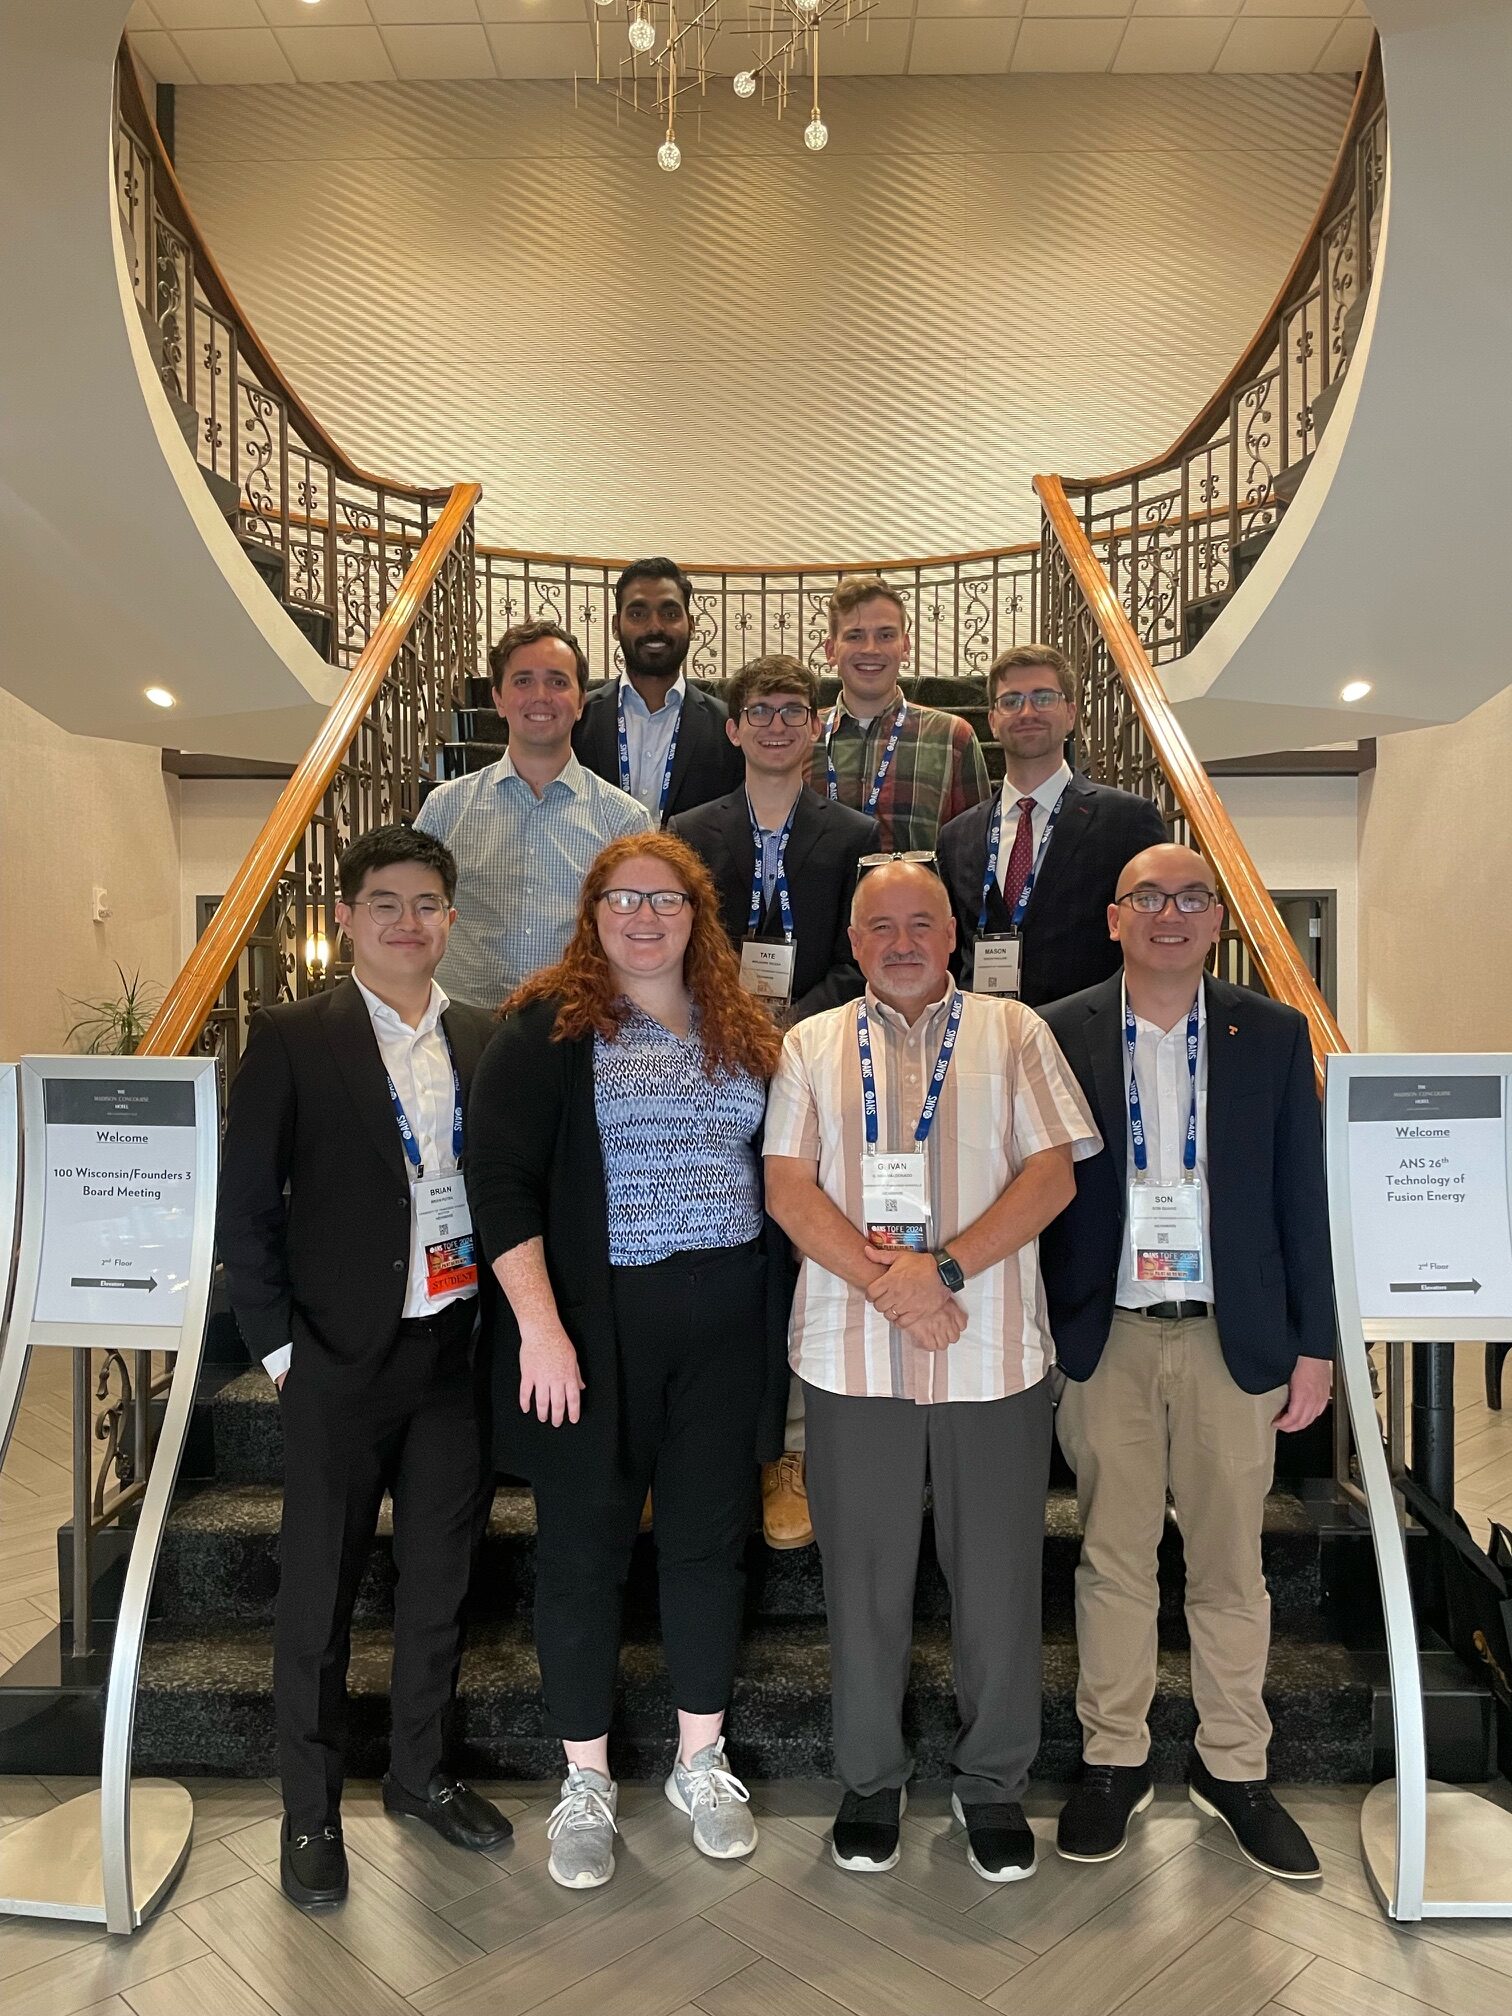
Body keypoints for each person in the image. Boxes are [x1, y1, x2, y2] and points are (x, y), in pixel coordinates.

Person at [764, 861, 1101, 1883]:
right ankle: (872, 1778)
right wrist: (893, 1286)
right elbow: (786, 1187)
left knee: (997, 1582)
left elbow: (1053, 1174)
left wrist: (942, 1269)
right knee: (862, 1583)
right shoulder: (810, 1046)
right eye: (880, 926)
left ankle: (992, 1784)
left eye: (922, 923)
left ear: (954, 934)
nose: (902, 941)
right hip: (851, 1357)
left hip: (988, 1349)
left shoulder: (1016, 1031)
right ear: (855, 942)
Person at [466, 831, 784, 1891]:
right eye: (622, 898)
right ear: (592, 913)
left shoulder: (744, 1029)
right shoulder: (545, 1025)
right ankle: (587, 1780)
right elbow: (500, 1184)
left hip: (725, 1330)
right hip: (594, 1332)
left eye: (667, 899)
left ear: (698, 915)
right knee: (582, 1557)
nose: (645, 917)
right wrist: (542, 1331)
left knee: (706, 1550)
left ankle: (704, 1760)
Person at [216, 824, 511, 1913]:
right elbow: (246, 1209)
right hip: (337, 1363)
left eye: (428, 902)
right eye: (384, 902)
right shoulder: (294, 1037)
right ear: (344, 917)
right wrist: (284, 1353)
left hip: (453, 1356)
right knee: (318, 1598)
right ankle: (310, 1810)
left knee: (439, 1585)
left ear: (449, 916)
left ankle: (420, 1776)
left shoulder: (484, 1038)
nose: (407, 922)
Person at [1038, 843, 1333, 1881]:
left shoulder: (1274, 1034)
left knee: (1230, 1566)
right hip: (1105, 1335)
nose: (1171, 912)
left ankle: (1234, 1769)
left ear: (1218, 921)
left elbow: (1305, 1198)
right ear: (1115, 917)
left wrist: (1317, 1345)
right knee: (1112, 1558)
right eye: (1149, 897)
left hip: (1230, 1338)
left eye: (1192, 898)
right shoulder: (1058, 1029)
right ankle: (1113, 1760)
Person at [670, 653, 878, 1551]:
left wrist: (795, 1017)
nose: (778, 725)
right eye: (762, 710)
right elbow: (666, 946)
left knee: (800, 1247)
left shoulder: (854, 830)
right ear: (734, 726)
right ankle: (702, 1451)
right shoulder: (687, 828)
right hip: (707, 1064)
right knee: (716, 1249)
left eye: (795, 710)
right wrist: (728, 1013)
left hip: (812, 1058)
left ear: (815, 725)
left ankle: (789, 1452)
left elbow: (857, 951)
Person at [415, 619, 650, 1010]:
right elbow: (415, 919)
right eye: (523, 681)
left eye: (558, 682)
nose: (540, 695)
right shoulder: (445, 809)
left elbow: (639, 935)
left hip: (575, 1028)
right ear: (499, 700)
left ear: (580, 704)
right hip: (464, 1027)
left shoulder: (625, 822)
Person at [938, 643, 1167, 1005]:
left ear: (1071, 713)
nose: (1027, 711)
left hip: (1083, 1040)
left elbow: (1149, 933)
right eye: (1011, 701)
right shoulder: (956, 835)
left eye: (1043, 698)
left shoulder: (1127, 820)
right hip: (981, 1036)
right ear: (993, 722)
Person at [808, 576, 989, 853]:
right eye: (855, 635)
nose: (871, 648)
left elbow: (975, 851)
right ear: (831, 651)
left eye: (886, 635)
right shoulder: (800, 736)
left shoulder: (952, 737)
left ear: (905, 647)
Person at [573, 557, 743, 822]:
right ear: (616, 626)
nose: (654, 626)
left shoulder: (727, 728)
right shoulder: (577, 720)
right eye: (638, 614)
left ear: (692, 625)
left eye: (670, 613)